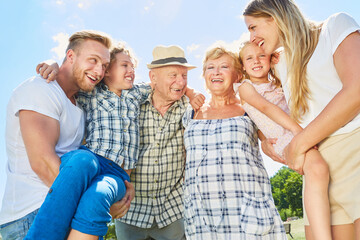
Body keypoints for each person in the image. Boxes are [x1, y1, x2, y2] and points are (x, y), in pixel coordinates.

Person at [31, 44, 203, 240]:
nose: (131, 71)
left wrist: (191, 94)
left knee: (97, 197)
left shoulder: (137, 95)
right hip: (98, 168)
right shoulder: (92, 94)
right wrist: (53, 64)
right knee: (79, 163)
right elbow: (69, 80)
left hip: (125, 179)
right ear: (106, 72)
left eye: (132, 67)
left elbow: (174, 85)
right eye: (124, 66)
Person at [243, 0, 360, 239]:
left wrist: (298, 142)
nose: (252, 37)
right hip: (314, 165)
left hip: (353, 150)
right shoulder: (278, 62)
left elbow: (356, 89)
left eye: (253, 27)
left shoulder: (335, 26)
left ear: (273, 16)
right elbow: (263, 104)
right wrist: (264, 138)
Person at [0, 30, 112, 240]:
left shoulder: (79, 104)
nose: (99, 71)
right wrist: (95, 203)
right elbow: (43, 163)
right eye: (93, 60)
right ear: (70, 56)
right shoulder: (41, 89)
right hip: (31, 213)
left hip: (64, 208)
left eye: (104, 65)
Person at [181, 45, 286, 239]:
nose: (216, 72)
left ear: (238, 76)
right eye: (210, 67)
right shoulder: (190, 113)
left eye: (224, 67)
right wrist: (189, 93)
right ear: (204, 75)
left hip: (248, 211)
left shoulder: (249, 108)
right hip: (202, 216)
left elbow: (269, 134)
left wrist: (266, 142)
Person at [235, 40, 331, 239]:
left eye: (262, 55)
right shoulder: (245, 87)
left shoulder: (276, 81)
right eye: (249, 58)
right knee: (318, 169)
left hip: (296, 131)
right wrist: (298, 131)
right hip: (283, 137)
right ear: (243, 65)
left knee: (316, 176)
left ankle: (315, 232)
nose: (257, 61)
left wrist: (278, 60)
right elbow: (265, 109)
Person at [114, 45, 202, 240]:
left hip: (173, 212)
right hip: (131, 211)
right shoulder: (131, 104)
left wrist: (193, 93)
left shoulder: (190, 109)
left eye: (184, 76)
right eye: (173, 75)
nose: (180, 81)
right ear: (153, 78)